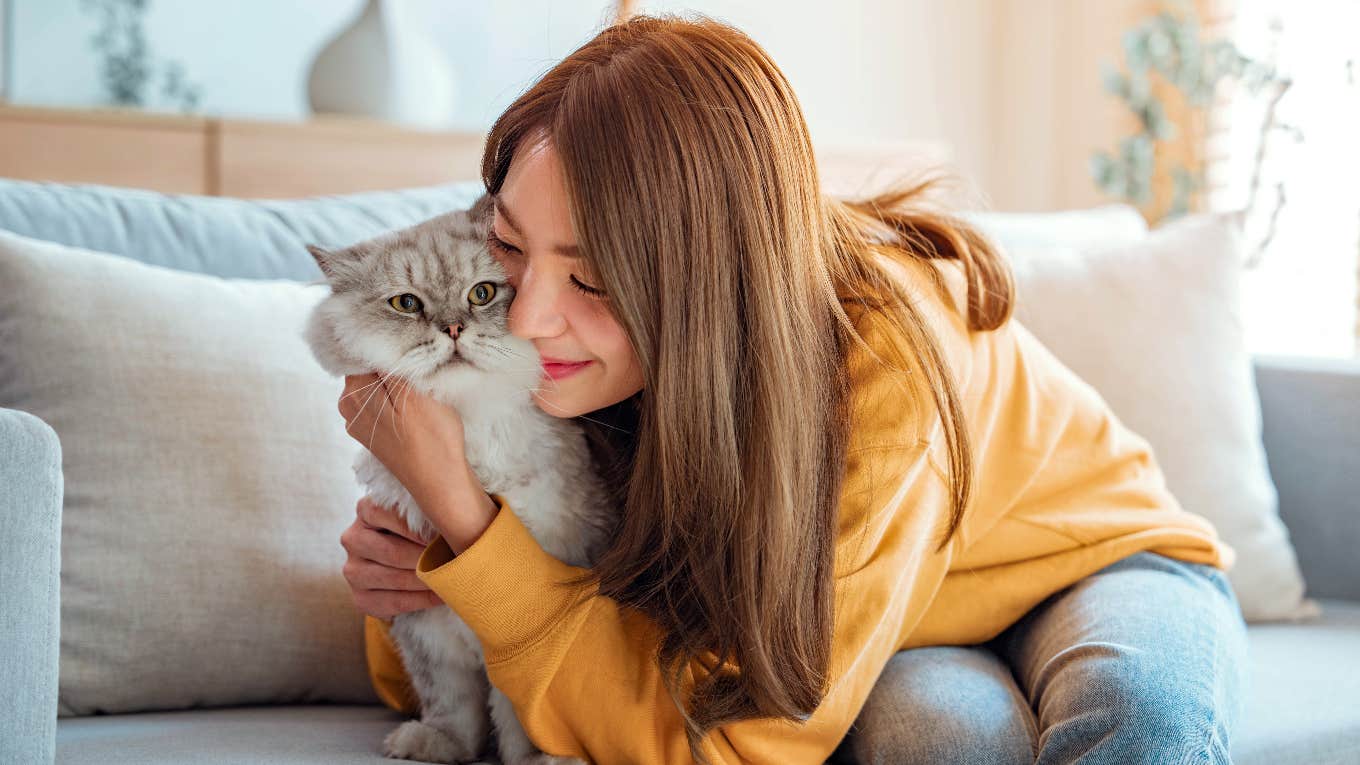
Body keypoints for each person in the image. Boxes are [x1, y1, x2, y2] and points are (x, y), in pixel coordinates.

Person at [334, 13, 1249, 765]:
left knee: (1141, 721)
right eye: (510, 244)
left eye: (592, 272)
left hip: (1097, 563)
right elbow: (521, 672)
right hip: (900, 616)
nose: (529, 316)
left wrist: (473, 529)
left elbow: (739, 750)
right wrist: (427, 556)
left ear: (705, 278)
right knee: (944, 742)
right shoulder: (558, 355)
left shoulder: (884, 355)